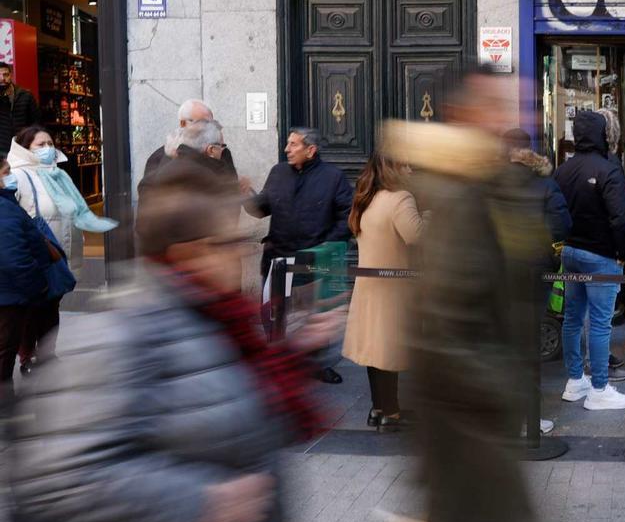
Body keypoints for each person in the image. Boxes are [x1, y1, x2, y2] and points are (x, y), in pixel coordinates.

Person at [8, 160, 337, 522]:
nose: (241, 251)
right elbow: (62, 482)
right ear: (188, 254)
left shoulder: (228, 327)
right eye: (227, 242)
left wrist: (294, 356)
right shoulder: (124, 335)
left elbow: (233, 422)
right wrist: (203, 502)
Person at [365, 74, 541, 522]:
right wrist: (498, 385)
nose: (512, 115)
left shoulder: (481, 183)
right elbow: (450, 308)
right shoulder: (463, 193)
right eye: (497, 105)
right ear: (463, 113)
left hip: (469, 394)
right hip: (466, 398)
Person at [243, 127, 352, 384]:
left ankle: (319, 364)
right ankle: (280, 365)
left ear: (311, 150)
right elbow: (261, 209)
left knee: (317, 315)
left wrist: (326, 246)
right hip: (277, 258)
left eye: (293, 145)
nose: (286, 149)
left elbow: (347, 215)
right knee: (275, 316)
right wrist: (246, 196)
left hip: (313, 260)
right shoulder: (278, 172)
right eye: (287, 144)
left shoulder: (333, 177)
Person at [7, 126, 116, 372]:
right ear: (26, 148)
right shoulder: (18, 176)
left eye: (50, 143)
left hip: (59, 255)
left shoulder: (58, 174)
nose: (48, 149)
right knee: (32, 309)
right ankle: (28, 356)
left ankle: (47, 354)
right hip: (34, 256)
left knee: (51, 307)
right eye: (40, 145)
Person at [554, 110, 625, 410]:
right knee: (600, 324)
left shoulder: (563, 170)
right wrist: (623, 254)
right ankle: (600, 388)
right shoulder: (609, 169)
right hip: (601, 255)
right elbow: (621, 219)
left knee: (573, 319)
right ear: (604, 134)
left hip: (570, 252)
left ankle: (575, 381)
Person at [342, 151, 425, 431]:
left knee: (374, 352)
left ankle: (379, 408)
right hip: (392, 288)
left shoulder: (367, 198)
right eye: (406, 164)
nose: (411, 170)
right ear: (394, 169)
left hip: (369, 286)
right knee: (388, 350)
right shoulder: (401, 198)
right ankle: (390, 413)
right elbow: (416, 236)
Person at [503, 127, 571, 435]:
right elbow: (561, 225)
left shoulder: (490, 183)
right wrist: (545, 250)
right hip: (533, 273)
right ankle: (528, 418)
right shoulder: (545, 184)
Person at [0, 157, 51, 392]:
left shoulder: (9, 206)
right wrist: (38, 286)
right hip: (8, 298)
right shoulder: (5, 210)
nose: (11, 176)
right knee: (4, 356)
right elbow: (14, 259)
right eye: (6, 172)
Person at [142, 99, 236, 183]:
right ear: (183, 123)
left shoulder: (221, 151)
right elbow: (147, 195)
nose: (208, 127)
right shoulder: (159, 156)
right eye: (202, 122)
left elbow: (232, 187)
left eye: (210, 123)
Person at [0, 61, 40, 156]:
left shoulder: (26, 96)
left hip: (22, 148)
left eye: (5, 75)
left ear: (11, 76)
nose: (2, 78)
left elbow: (36, 122)